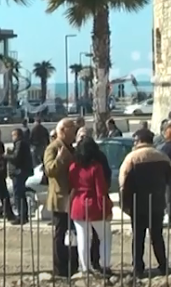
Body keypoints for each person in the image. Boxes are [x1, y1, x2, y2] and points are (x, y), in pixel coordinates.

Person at [120, 128, 171, 277]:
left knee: (138, 238)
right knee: (157, 236)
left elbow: (123, 182)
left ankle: (138, 268)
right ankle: (163, 265)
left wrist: (125, 204)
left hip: (137, 204)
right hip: (157, 203)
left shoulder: (131, 158)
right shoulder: (162, 156)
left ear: (138, 141)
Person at [69, 136, 114, 275]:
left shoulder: (73, 167)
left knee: (83, 238)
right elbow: (101, 190)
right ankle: (105, 265)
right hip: (94, 205)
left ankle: (85, 267)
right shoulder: (96, 167)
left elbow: (72, 186)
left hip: (77, 204)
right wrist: (106, 208)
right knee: (105, 236)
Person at [43, 118, 77, 277]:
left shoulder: (72, 147)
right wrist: (60, 158)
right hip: (60, 198)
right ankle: (60, 268)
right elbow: (49, 170)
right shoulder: (53, 148)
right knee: (60, 234)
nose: (75, 133)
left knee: (74, 235)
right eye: (72, 129)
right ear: (63, 130)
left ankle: (73, 265)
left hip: (73, 197)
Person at [7, 128, 33, 224]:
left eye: (13, 135)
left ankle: (21, 216)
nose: (12, 137)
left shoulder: (20, 144)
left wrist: (6, 156)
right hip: (20, 172)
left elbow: (16, 157)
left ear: (17, 135)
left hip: (19, 173)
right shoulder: (22, 144)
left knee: (18, 195)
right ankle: (23, 216)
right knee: (20, 195)